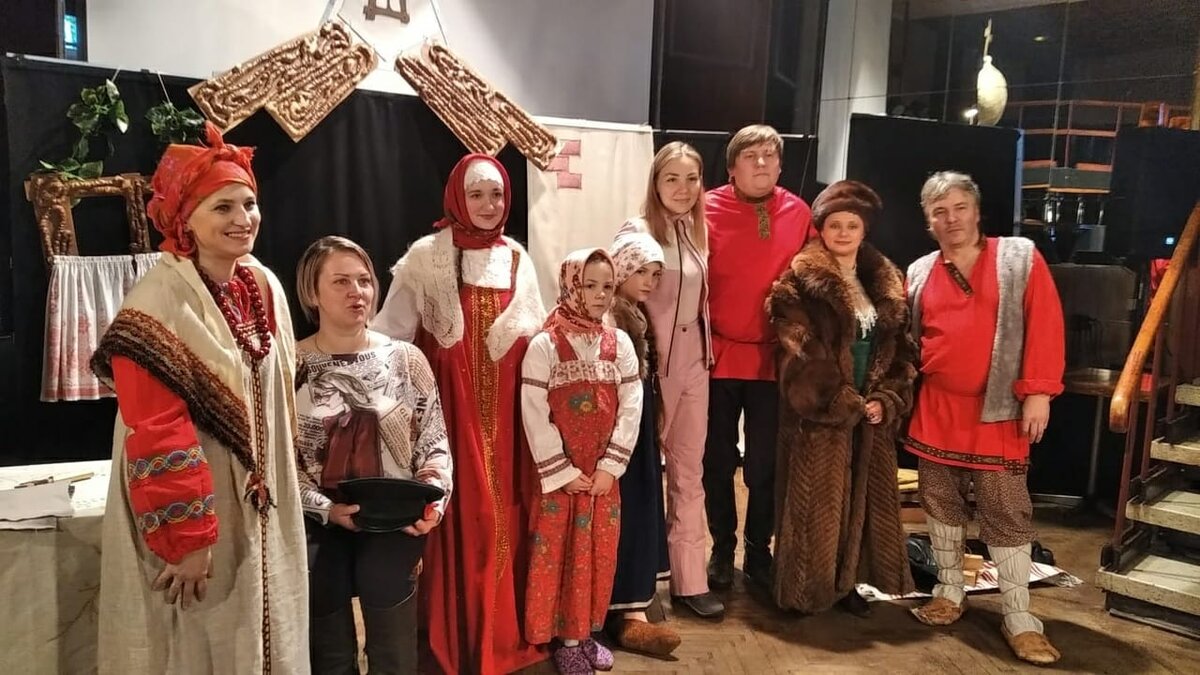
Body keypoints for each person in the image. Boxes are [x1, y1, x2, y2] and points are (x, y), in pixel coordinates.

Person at [90, 123, 308, 674]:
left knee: (265, 632)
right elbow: (156, 428)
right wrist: (188, 539)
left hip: (261, 506)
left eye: (249, 204)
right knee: (198, 642)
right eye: (223, 207)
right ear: (185, 217)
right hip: (196, 513)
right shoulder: (156, 303)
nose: (243, 218)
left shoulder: (262, 284)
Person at [373, 154, 546, 674]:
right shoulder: (426, 257)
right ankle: (455, 640)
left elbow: (537, 338)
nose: (489, 205)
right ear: (456, 198)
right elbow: (388, 337)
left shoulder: (517, 258)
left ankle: (502, 636)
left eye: (497, 194)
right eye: (476, 194)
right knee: (462, 520)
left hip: (510, 423)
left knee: (504, 517)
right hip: (448, 415)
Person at [904, 171, 1065, 666]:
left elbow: (1045, 324)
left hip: (998, 411)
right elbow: (910, 340)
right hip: (936, 408)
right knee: (940, 502)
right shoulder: (919, 270)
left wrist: (1038, 393)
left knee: (1005, 510)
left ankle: (1019, 616)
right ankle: (949, 592)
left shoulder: (1019, 257)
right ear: (929, 221)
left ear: (976, 211)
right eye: (939, 212)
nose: (951, 219)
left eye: (959, 208)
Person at [293, 236, 453, 674]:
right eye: (340, 281)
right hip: (316, 520)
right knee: (328, 653)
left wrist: (432, 500)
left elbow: (434, 442)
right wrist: (325, 508)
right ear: (312, 293)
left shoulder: (405, 359)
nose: (357, 292)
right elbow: (281, 463)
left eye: (364, 281)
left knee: (394, 652)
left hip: (392, 516)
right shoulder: (289, 365)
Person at [765, 180, 916, 615]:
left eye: (853, 225)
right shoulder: (798, 283)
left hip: (870, 410)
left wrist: (886, 398)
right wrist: (838, 399)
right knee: (815, 504)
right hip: (819, 413)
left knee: (861, 502)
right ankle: (804, 591)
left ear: (864, 230)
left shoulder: (886, 281)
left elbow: (901, 349)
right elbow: (798, 350)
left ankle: (847, 583)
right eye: (835, 225)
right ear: (821, 229)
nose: (844, 233)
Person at [703, 124, 818, 592]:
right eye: (751, 156)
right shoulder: (704, 207)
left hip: (774, 361)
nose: (762, 163)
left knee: (765, 464)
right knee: (715, 460)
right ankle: (721, 547)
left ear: (781, 166)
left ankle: (757, 550)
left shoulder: (798, 212)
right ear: (732, 167)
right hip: (715, 356)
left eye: (770, 155)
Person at [522, 249, 642, 675]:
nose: (600, 294)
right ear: (572, 286)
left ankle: (587, 631)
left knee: (597, 554)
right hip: (563, 481)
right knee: (561, 554)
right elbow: (534, 412)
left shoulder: (619, 343)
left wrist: (611, 466)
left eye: (607, 286)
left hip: (602, 479)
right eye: (589, 285)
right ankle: (565, 639)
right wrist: (563, 471)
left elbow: (631, 404)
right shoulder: (545, 345)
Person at [616, 141, 722, 618]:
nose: (682, 188)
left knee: (688, 472)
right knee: (639, 476)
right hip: (649, 368)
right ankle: (631, 585)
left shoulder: (700, 232)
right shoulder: (636, 231)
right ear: (655, 183)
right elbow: (616, 295)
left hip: (695, 365)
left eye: (691, 178)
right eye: (671, 178)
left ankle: (690, 580)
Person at [604, 233, 680, 656]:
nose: (649, 282)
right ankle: (620, 605)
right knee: (627, 508)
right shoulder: (613, 316)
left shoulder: (637, 312)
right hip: (620, 429)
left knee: (642, 503)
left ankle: (634, 602)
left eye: (655, 274)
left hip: (639, 423)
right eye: (641, 272)